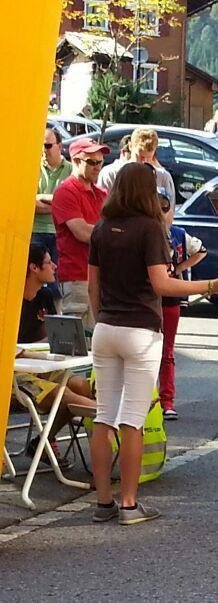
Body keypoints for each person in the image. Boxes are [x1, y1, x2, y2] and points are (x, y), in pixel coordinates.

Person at [88, 163, 218, 525]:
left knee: (103, 416)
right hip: (140, 331)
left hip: (106, 328)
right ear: (145, 191)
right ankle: (128, 503)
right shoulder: (150, 229)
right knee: (133, 420)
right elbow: (161, 284)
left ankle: (103, 502)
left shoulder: (102, 229)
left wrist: (101, 318)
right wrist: (210, 286)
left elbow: (93, 285)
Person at [16, 244, 96, 469]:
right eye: (49, 262)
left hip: (38, 364)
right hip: (14, 375)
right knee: (64, 393)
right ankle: (107, 415)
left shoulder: (45, 296)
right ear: (33, 267)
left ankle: (43, 441)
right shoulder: (10, 300)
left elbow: (48, 337)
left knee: (81, 386)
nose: (54, 266)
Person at [158, 188, 207, 420]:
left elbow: (201, 250)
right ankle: (148, 398)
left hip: (170, 299)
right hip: (145, 299)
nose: (160, 212)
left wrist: (177, 270)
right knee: (144, 350)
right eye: (155, 206)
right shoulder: (143, 233)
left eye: (164, 206)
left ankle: (166, 400)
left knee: (167, 351)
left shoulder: (177, 234)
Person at [51, 137, 110, 328]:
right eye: (92, 162)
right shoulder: (65, 191)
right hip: (77, 276)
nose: (98, 167)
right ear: (75, 160)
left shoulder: (102, 193)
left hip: (101, 275)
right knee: (82, 343)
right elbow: (83, 232)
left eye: (100, 162)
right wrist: (115, 234)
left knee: (100, 340)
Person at [33, 128, 72, 302]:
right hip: (36, 230)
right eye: (41, 146)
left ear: (59, 146)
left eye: (48, 146)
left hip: (60, 232)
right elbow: (30, 204)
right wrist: (60, 203)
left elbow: (73, 203)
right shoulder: (33, 169)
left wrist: (43, 198)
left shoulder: (71, 170)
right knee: (33, 278)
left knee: (56, 283)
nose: (44, 150)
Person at [98, 128, 176, 208]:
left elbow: (168, 216)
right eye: (140, 157)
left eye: (149, 157)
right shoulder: (111, 174)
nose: (144, 162)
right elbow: (102, 210)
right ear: (130, 146)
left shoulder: (162, 178)